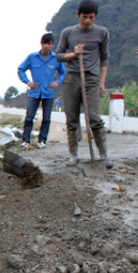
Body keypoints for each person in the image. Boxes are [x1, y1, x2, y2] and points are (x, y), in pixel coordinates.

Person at [55, 0, 111, 166]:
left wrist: (102, 81)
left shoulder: (102, 32)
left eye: (91, 17)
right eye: (84, 17)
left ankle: (103, 154)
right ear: (78, 15)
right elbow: (58, 55)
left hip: (91, 78)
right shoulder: (68, 32)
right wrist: (73, 54)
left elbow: (105, 57)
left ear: (95, 17)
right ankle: (73, 156)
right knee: (71, 118)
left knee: (94, 117)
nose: (87, 21)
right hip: (71, 77)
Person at [18, 33, 66, 149]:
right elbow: (20, 69)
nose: (46, 46)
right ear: (41, 43)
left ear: (52, 44)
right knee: (29, 116)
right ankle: (26, 140)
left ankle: (42, 140)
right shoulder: (32, 57)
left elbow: (63, 72)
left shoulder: (56, 59)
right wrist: (27, 82)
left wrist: (57, 82)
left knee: (46, 118)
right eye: (44, 43)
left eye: (48, 44)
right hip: (34, 92)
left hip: (48, 93)